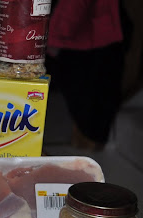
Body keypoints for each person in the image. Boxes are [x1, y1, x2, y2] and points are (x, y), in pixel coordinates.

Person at [46, 0, 131, 151]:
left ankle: (89, 141)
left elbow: (73, 7)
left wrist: (56, 37)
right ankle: (90, 141)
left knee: (88, 97)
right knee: (98, 95)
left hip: (85, 38)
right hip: (100, 34)